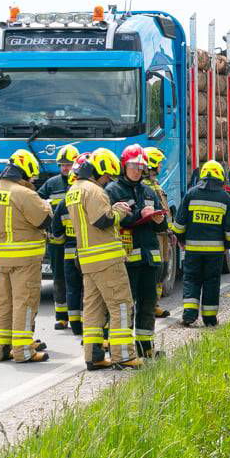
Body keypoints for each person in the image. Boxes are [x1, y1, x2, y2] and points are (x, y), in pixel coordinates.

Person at [67, 148, 141, 370]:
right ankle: (124, 356)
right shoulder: (94, 191)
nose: (107, 180)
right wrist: (119, 211)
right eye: (107, 176)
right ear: (98, 171)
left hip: (88, 260)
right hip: (107, 259)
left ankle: (94, 356)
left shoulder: (74, 190)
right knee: (121, 305)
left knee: (93, 309)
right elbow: (102, 220)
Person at [0, 149, 52, 363]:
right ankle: (23, 351)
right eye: (32, 176)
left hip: (1, 258)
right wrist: (48, 207)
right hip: (25, 258)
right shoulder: (24, 194)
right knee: (25, 302)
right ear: (25, 171)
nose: (32, 180)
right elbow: (43, 220)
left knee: (3, 303)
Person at [107, 145, 168, 358]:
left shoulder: (149, 191)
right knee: (125, 306)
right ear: (124, 166)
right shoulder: (113, 191)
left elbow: (162, 227)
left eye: (141, 166)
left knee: (148, 303)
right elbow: (111, 223)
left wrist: (160, 220)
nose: (137, 170)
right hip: (126, 259)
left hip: (149, 258)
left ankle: (145, 347)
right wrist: (137, 216)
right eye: (133, 165)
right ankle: (122, 349)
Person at [171, 160, 230, 327]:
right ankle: (209, 319)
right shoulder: (225, 198)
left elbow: (179, 224)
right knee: (211, 282)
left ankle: (189, 315)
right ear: (220, 177)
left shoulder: (191, 194)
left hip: (192, 250)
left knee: (191, 280)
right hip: (215, 253)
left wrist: (180, 240)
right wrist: (227, 246)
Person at [37, 144, 79, 330]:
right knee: (59, 278)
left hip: (75, 240)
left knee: (77, 280)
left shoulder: (79, 183)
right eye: (62, 165)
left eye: (68, 165)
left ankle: (77, 315)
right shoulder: (52, 183)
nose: (65, 168)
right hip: (55, 241)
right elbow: (36, 201)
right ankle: (61, 317)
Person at [50, 153, 91, 336]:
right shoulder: (91, 198)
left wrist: (61, 242)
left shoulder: (64, 202)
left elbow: (55, 229)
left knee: (72, 288)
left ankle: (75, 325)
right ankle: (89, 323)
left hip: (68, 252)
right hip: (88, 251)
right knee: (88, 289)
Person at [142, 146, 172, 318]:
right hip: (155, 235)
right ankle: (152, 304)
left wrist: (169, 232)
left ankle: (155, 303)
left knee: (162, 268)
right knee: (156, 269)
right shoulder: (147, 187)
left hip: (163, 234)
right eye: (159, 163)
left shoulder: (154, 184)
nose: (161, 166)